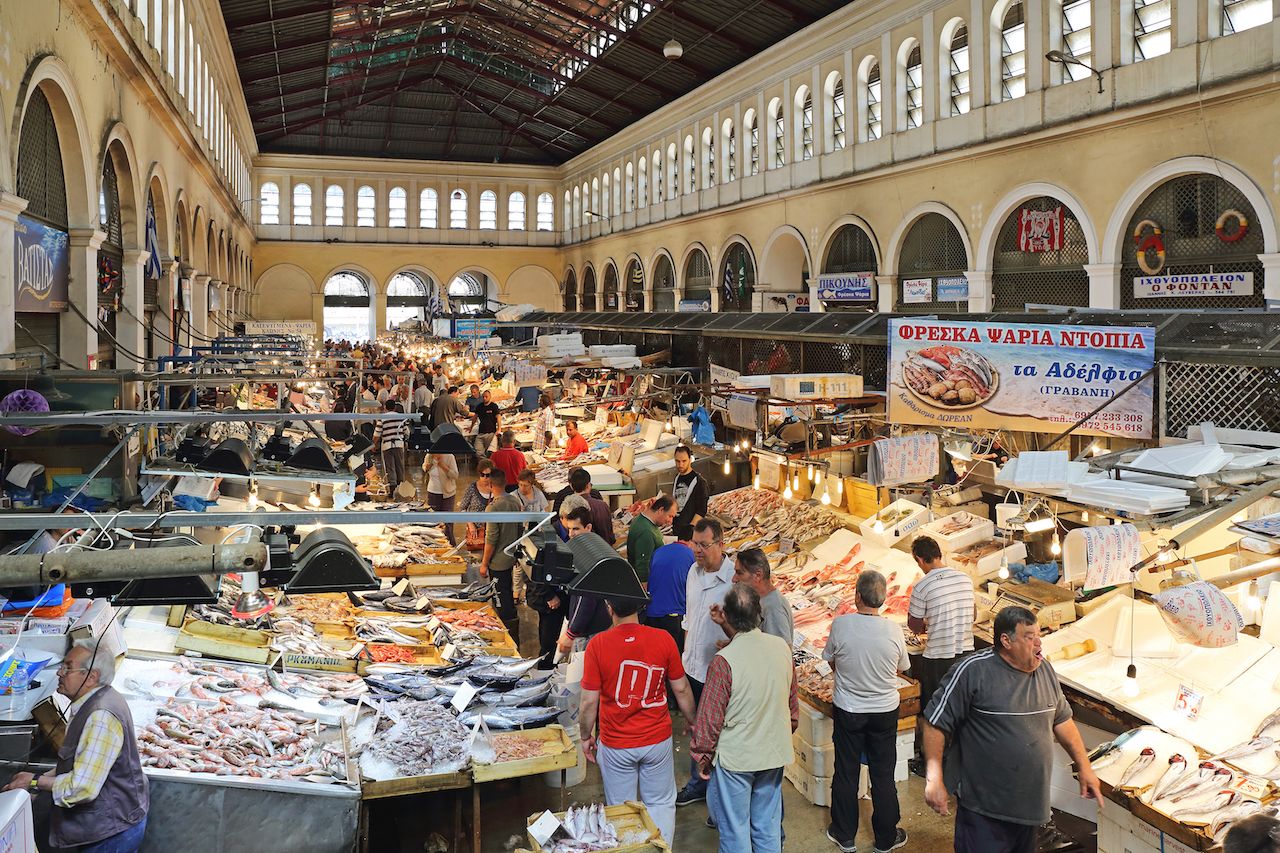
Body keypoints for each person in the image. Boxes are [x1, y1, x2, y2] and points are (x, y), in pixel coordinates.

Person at [922, 606, 1102, 853]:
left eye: (1039, 635)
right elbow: (935, 723)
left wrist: (1084, 767)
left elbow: (1062, 720)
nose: (1039, 643)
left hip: (1029, 809)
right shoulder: (972, 672)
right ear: (1006, 641)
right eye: (1029, 637)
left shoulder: (1045, 671)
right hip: (984, 811)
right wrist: (934, 779)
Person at [4, 640, 148, 851]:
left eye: (68, 668)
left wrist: (36, 782)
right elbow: (78, 760)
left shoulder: (100, 716)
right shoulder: (91, 700)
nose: (59, 673)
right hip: (111, 824)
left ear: (91, 677)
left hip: (110, 834)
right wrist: (40, 783)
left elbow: (82, 788)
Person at [580, 598, 697, 846]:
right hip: (657, 741)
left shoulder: (597, 645)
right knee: (661, 805)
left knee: (622, 810)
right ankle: (661, 850)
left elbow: (589, 702)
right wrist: (692, 721)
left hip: (617, 745)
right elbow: (682, 688)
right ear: (639, 607)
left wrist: (585, 736)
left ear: (609, 608)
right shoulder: (664, 638)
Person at [691, 583, 798, 853]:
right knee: (767, 825)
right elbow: (791, 706)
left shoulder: (724, 661)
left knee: (735, 829)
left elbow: (710, 718)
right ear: (759, 613)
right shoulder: (782, 649)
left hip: (737, 757)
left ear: (725, 616)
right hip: (773, 752)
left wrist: (703, 756)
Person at [823, 570, 911, 853]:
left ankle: (844, 834)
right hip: (885, 711)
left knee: (846, 771)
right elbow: (903, 667)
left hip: (849, 709)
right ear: (883, 600)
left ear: (857, 596)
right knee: (883, 774)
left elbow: (830, 661)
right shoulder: (894, 630)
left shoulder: (841, 625)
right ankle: (886, 838)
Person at [675, 518, 735, 807]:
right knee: (697, 729)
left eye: (703, 545)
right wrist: (684, 656)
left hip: (718, 671)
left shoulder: (734, 581)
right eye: (694, 544)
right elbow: (690, 616)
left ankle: (718, 792)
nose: (697, 550)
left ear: (720, 544)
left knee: (718, 733)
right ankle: (698, 784)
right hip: (692, 666)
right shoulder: (692, 572)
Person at [908, 534, 976, 770]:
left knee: (934, 711)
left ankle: (932, 762)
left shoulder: (922, 585)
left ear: (919, 559)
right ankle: (958, 759)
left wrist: (929, 623)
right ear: (939, 554)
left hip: (937, 657)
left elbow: (914, 625)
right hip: (966, 655)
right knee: (961, 708)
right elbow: (974, 615)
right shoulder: (965, 579)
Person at [557, 507, 613, 654]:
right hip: (592, 628)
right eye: (569, 529)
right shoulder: (589, 547)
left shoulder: (590, 556)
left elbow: (586, 598)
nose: (571, 534)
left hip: (591, 633)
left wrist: (571, 633)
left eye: (575, 529)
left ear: (588, 527)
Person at [479, 469, 523, 636]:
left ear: (491, 485)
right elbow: (520, 528)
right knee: (507, 591)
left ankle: (507, 634)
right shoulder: (514, 501)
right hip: (511, 557)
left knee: (500, 598)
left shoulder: (493, 508)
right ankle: (513, 627)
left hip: (497, 561)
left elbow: (491, 539)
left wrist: (484, 563)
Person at [645, 523, 695, 652]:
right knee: (673, 656)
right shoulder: (692, 555)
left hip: (652, 611)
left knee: (655, 654)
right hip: (674, 613)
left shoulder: (659, 551)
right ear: (692, 541)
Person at [732, 548, 793, 643]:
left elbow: (780, 652)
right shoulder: (757, 600)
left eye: (739, 573)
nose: (734, 579)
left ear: (758, 575)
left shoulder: (774, 609)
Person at [627, 495, 675, 586]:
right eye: (670, 516)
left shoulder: (646, 522)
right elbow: (642, 566)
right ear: (661, 510)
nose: (670, 521)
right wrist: (645, 593)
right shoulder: (646, 532)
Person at [567, 467, 615, 545]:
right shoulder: (601, 505)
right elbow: (608, 536)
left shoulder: (567, 507)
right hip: (605, 550)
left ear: (571, 486)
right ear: (588, 485)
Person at [458, 459, 499, 548]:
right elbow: (462, 508)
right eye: (482, 475)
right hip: (475, 532)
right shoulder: (472, 488)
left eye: (488, 475)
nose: (484, 478)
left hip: (493, 532)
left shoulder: (497, 488)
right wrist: (470, 524)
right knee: (477, 557)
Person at [424, 453, 459, 546]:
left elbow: (455, 475)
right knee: (434, 521)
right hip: (432, 492)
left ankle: (451, 544)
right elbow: (424, 468)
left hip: (448, 493)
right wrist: (427, 466)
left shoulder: (450, 456)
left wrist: (444, 467)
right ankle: (436, 544)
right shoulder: (429, 456)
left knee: (448, 521)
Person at [672, 445, 709, 532]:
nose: (680, 465)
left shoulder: (700, 482)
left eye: (684, 461)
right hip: (676, 529)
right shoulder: (676, 478)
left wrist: (691, 528)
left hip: (690, 531)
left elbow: (702, 510)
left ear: (690, 460)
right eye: (678, 461)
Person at [372, 400, 407, 492]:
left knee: (390, 467)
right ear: (394, 407)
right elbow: (406, 431)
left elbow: (377, 434)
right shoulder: (401, 417)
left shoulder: (382, 418)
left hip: (387, 446)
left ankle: (393, 490)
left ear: (385, 408)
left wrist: (373, 445)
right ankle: (401, 489)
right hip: (399, 445)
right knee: (400, 466)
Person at [472, 390, 502, 456]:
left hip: (491, 433)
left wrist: (499, 429)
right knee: (478, 452)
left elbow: (498, 417)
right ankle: (483, 464)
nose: (484, 398)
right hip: (481, 433)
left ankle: (490, 465)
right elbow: (475, 417)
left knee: (491, 453)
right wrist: (471, 427)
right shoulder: (479, 406)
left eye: (486, 396)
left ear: (490, 397)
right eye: (483, 397)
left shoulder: (494, 406)